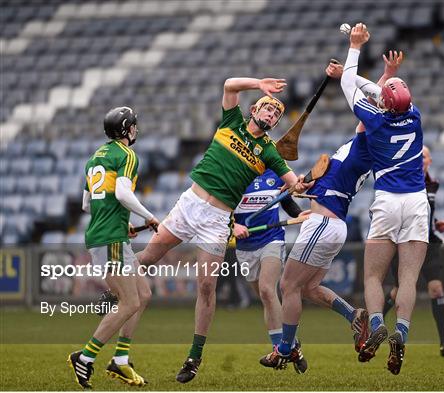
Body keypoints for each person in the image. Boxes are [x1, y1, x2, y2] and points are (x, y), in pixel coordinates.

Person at [136, 77, 309, 383]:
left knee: (206, 287)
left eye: (276, 115)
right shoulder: (232, 121)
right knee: (149, 255)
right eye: (267, 108)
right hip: (190, 205)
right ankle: (114, 293)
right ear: (254, 108)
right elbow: (230, 85)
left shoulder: (269, 151)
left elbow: (292, 183)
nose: (271, 115)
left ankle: (194, 357)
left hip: (218, 219)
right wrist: (258, 83)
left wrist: (303, 184)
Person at [260, 52, 405, 369]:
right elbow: (333, 176)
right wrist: (305, 185)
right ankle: (354, 315)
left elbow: (371, 105)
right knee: (309, 287)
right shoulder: (360, 145)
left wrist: (363, 76)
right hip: (329, 221)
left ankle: (284, 348)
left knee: (288, 286)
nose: (367, 114)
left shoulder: (369, 139)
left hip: (323, 223)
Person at [340, 23, 430, 375]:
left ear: (384, 103)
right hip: (417, 202)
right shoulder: (416, 116)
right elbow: (386, 96)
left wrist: (355, 47)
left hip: (388, 202)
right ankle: (401, 334)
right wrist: (390, 77)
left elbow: (351, 83)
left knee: (373, 277)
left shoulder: (375, 120)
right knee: (407, 280)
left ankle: (377, 324)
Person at [68, 106, 160, 389]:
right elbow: (121, 192)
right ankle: (85, 357)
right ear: (126, 130)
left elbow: (87, 204)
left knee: (143, 294)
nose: (135, 129)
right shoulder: (127, 155)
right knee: (129, 302)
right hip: (110, 239)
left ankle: (120, 361)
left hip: (107, 234)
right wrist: (149, 217)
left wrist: (124, 225)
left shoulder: (95, 157)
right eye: (133, 125)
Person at [383, 146, 444, 357]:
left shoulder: (432, 184)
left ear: (430, 161)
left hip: (429, 243)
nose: (421, 160)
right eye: (418, 156)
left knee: (436, 289)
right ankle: (373, 325)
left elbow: (424, 212)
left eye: (425, 156)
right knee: (397, 291)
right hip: (406, 243)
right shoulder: (406, 181)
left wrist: (435, 224)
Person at [233, 169, 309, 372]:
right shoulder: (235, 172)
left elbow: (284, 199)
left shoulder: (275, 173)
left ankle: (279, 350)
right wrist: (233, 227)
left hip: (271, 238)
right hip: (245, 246)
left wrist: (298, 214)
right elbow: (221, 210)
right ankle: (292, 346)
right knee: (265, 299)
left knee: (267, 290)